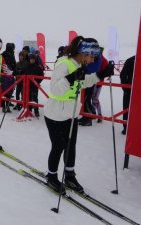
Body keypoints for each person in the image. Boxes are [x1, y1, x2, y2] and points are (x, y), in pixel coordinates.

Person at [44, 36, 114, 194]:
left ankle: (69, 175)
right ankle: (52, 176)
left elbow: (84, 82)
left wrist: (101, 74)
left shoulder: (79, 65)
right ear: (83, 53)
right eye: (91, 56)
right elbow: (54, 89)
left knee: (70, 146)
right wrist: (70, 78)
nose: (91, 60)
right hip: (56, 114)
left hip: (71, 114)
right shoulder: (64, 64)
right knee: (58, 147)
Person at [120, 55, 135, 135]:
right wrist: (125, 88)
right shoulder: (131, 60)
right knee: (127, 108)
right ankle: (126, 127)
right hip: (130, 90)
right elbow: (123, 75)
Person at [1, 43, 16, 112]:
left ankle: (4, 106)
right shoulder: (11, 55)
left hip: (3, 75)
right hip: (9, 76)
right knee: (9, 91)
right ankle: (6, 106)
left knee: (3, 91)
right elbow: (14, 65)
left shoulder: (2, 55)